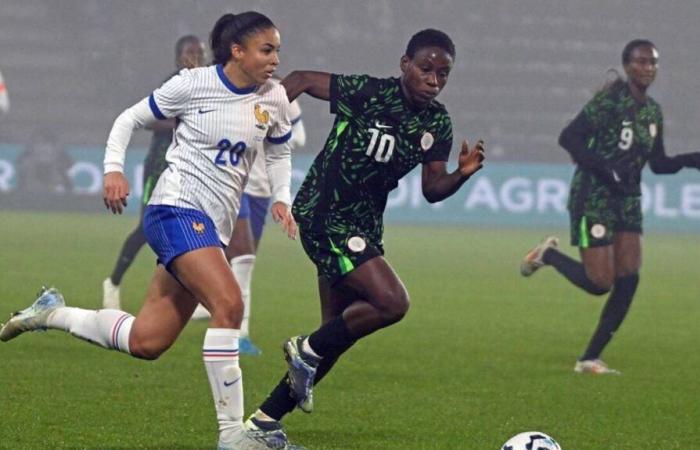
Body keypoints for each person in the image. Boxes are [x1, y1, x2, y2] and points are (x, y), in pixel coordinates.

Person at [1, 12, 299, 449]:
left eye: (277, 50)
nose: (275, 59)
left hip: (208, 227)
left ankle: (50, 313)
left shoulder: (273, 98)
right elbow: (128, 119)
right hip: (174, 208)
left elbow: (278, 152)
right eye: (267, 49)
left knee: (147, 340)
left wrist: (280, 198)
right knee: (229, 304)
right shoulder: (192, 83)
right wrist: (112, 171)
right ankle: (234, 436)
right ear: (237, 51)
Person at [243, 29, 486, 442]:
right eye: (426, 69)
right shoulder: (368, 93)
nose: (434, 80)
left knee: (336, 333)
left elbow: (431, 190)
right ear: (405, 64)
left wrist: (460, 175)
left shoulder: (436, 122)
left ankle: (264, 422)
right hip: (325, 214)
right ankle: (303, 350)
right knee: (392, 302)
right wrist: (255, 122)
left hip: (364, 225)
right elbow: (300, 78)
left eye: (443, 74)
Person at [520, 39, 700, 375]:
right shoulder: (609, 102)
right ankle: (549, 256)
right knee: (600, 282)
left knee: (629, 276)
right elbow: (569, 137)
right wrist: (606, 168)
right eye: (641, 61)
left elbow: (658, 163)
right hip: (594, 197)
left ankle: (589, 358)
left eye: (652, 63)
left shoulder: (652, 112)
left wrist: (693, 160)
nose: (647, 67)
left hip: (628, 199)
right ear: (628, 65)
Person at [192, 84, 306, 357]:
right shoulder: (232, 90)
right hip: (234, 183)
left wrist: (271, 132)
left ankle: (202, 302)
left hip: (262, 190)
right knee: (244, 258)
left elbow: (299, 138)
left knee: (237, 255)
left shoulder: (282, 95)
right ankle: (239, 333)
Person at [102, 35, 205, 310]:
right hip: (159, 165)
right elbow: (147, 121)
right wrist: (183, 122)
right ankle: (113, 281)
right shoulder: (173, 84)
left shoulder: (209, 86)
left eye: (200, 51)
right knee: (147, 229)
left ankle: (193, 294)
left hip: (190, 170)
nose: (195, 56)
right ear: (178, 57)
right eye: (189, 51)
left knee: (196, 227)